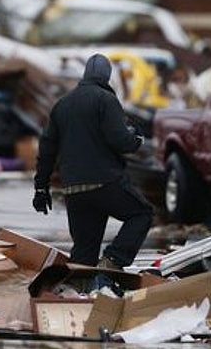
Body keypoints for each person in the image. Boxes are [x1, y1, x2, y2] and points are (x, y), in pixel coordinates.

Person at [32, 53, 154, 269]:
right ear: (107, 76)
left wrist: (41, 188)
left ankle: (79, 292)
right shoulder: (106, 100)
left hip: (75, 190)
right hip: (105, 183)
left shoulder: (62, 105)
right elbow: (120, 140)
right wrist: (136, 138)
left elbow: (47, 149)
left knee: (83, 253)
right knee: (141, 213)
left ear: (85, 74)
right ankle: (114, 259)